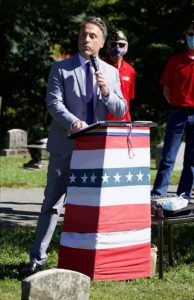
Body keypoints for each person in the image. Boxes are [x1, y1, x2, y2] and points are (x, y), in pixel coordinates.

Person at [24, 16, 126, 275]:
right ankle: (37, 258)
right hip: (67, 146)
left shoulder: (112, 73)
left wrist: (106, 91)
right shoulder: (61, 68)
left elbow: (121, 108)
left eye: (93, 36)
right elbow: (54, 104)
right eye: (83, 34)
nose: (86, 39)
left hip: (97, 153)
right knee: (52, 204)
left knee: (93, 207)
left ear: (102, 42)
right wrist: (74, 123)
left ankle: (87, 259)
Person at [151, 20, 194, 200]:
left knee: (191, 160)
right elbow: (166, 89)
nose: (193, 38)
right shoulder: (175, 61)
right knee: (168, 157)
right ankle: (158, 193)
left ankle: (184, 194)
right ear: (185, 37)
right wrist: (177, 103)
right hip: (177, 112)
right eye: (191, 34)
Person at [105, 30, 136, 121]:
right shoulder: (100, 67)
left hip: (124, 120)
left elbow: (128, 98)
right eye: (113, 44)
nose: (117, 48)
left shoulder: (130, 70)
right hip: (103, 120)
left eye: (121, 45)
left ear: (127, 47)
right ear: (108, 46)